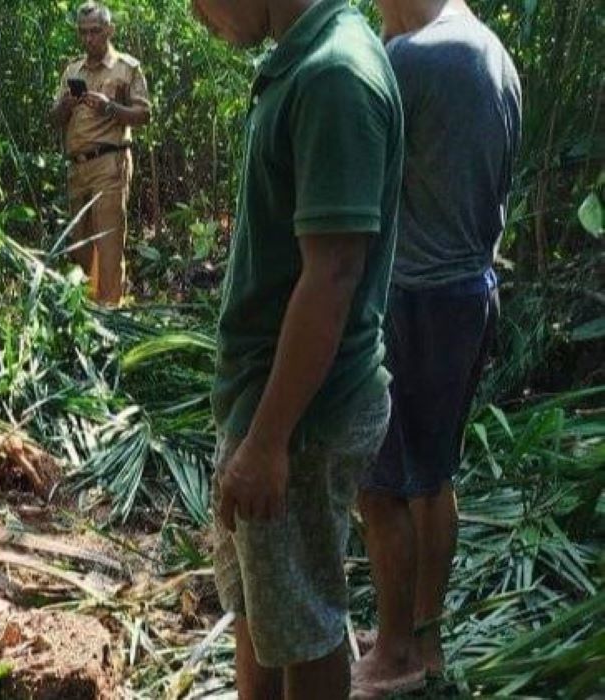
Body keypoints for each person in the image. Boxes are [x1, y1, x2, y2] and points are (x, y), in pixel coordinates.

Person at [189, 0, 404, 697]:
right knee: (261, 612)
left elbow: (334, 272)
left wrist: (268, 441)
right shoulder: (302, 64)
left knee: (304, 628)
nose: (195, 12)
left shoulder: (334, 74)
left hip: (301, 418)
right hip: (269, 406)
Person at [352, 1, 520, 696]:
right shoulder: (493, 53)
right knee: (433, 477)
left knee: (380, 485)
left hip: (412, 299)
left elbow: (361, 189)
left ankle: (393, 655)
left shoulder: (410, 60)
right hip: (471, 292)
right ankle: (425, 641)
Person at [49, 2, 150, 306]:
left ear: (109, 30)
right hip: (77, 167)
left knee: (108, 245)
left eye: (95, 31)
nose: (88, 38)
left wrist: (110, 107)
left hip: (110, 162)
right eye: (83, 33)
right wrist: (64, 106)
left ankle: (110, 315)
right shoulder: (72, 70)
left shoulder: (126, 67)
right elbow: (53, 120)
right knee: (80, 246)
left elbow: (144, 114)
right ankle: (85, 312)